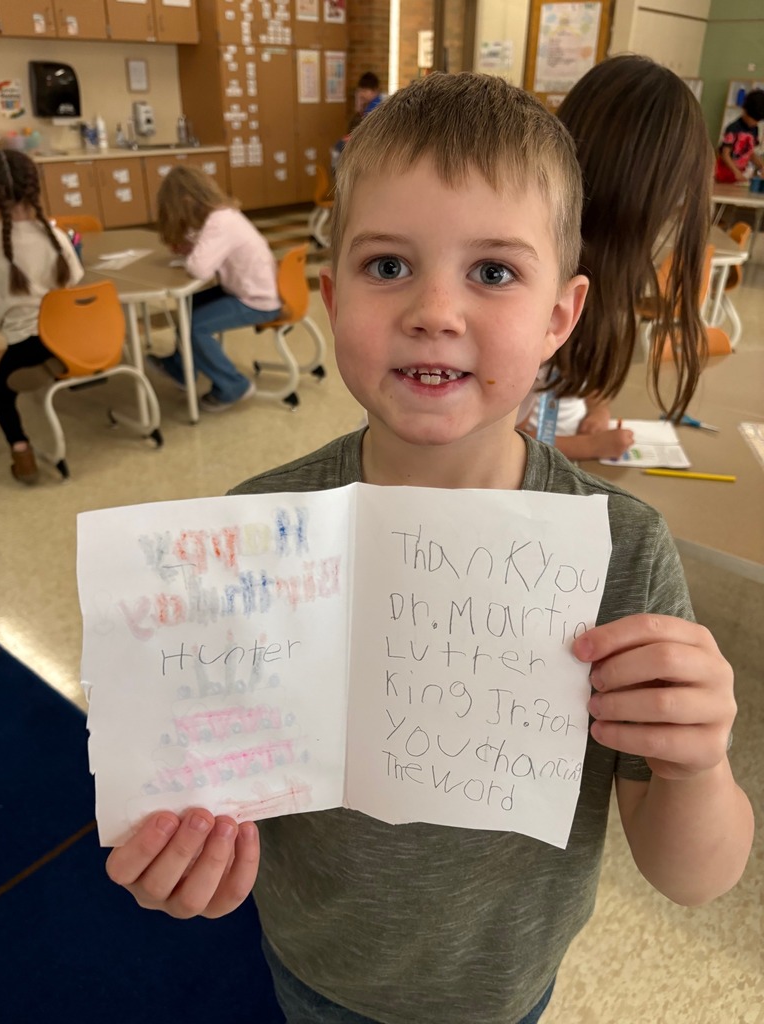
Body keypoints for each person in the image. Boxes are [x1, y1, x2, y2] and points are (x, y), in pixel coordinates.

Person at [106, 74, 753, 1024]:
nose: (434, 311)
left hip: (502, 983)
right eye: (387, 267)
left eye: (493, 272)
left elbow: (696, 877)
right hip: (314, 963)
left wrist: (700, 764)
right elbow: (201, 785)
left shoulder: (620, 550)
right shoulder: (254, 532)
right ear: (329, 298)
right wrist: (176, 851)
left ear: (559, 318)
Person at [520, 55, 715, 461]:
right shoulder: (528, 277)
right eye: (673, 197)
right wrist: (588, 446)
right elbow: (489, 440)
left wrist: (599, 407)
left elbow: (587, 356)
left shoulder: (606, 269)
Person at [151, 166, 281, 413]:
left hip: (256, 301)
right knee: (188, 305)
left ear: (187, 201)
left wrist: (192, 253)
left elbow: (200, 269)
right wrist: (193, 249)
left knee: (194, 328)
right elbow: (208, 254)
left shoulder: (220, 222)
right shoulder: (223, 216)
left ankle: (234, 385)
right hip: (245, 290)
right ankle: (180, 368)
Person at [0, 148, 83, 484]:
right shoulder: (56, 236)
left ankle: (22, 454)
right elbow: (75, 284)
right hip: (69, 338)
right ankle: (52, 364)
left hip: (26, 342)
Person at [332, 71, 384, 170]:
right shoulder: (377, 103)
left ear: (374, 90)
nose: (361, 94)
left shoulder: (373, 108)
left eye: (364, 91)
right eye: (360, 91)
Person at [715, 88, 764, 183]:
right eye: (753, 119)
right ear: (744, 110)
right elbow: (725, 154)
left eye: (757, 120)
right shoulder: (733, 128)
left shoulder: (755, 129)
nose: (754, 123)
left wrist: (761, 166)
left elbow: (750, 153)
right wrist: (736, 172)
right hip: (724, 172)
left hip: (739, 174)